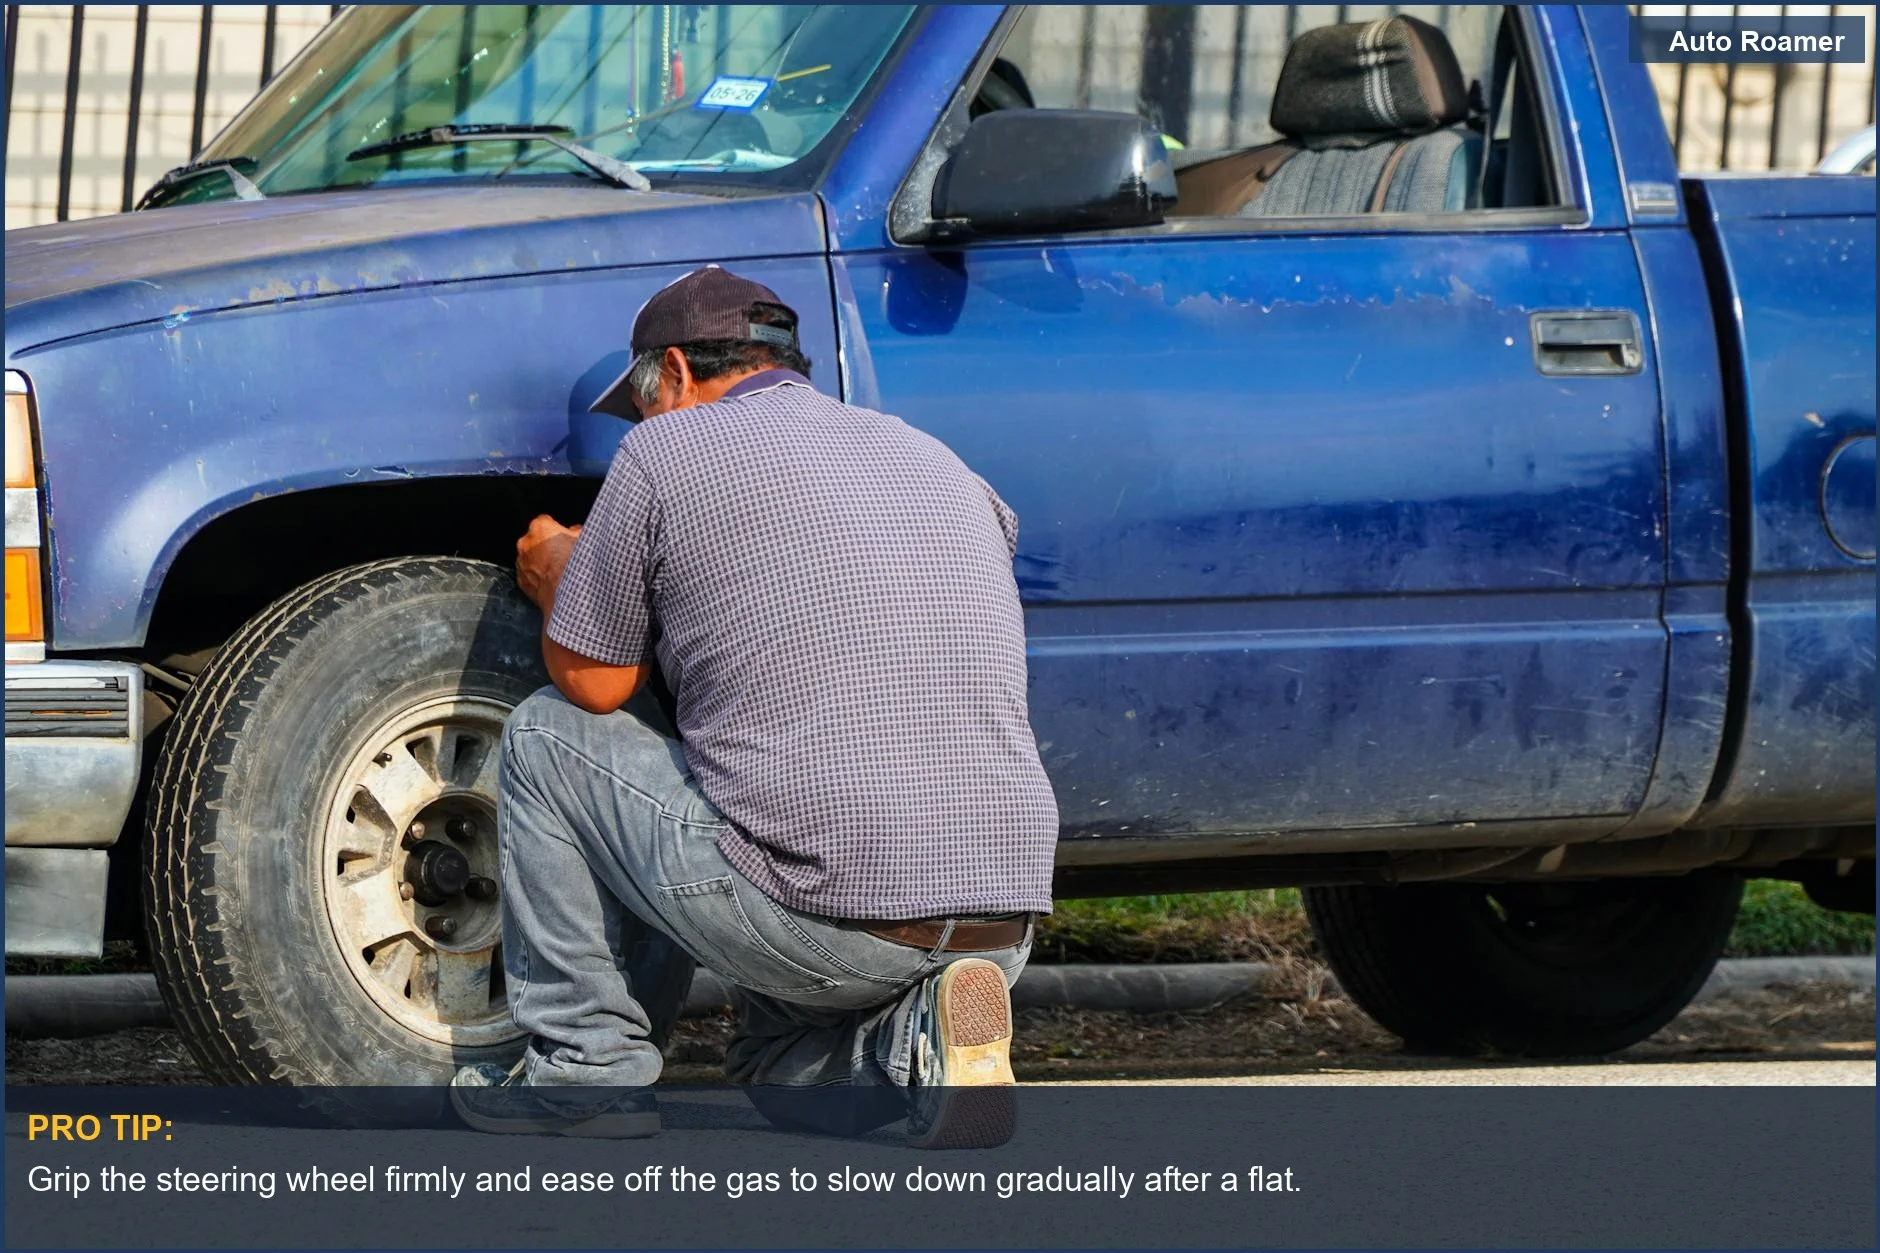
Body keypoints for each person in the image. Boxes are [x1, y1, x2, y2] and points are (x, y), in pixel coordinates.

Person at [451, 267, 1059, 1146]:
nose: (645, 422)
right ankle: (916, 1045)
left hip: (829, 911)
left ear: (677, 370)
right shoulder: (941, 462)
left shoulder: (663, 454)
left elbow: (595, 686)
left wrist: (560, 579)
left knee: (550, 735)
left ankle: (584, 1072)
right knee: (775, 1067)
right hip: (1003, 915)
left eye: (646, 401)